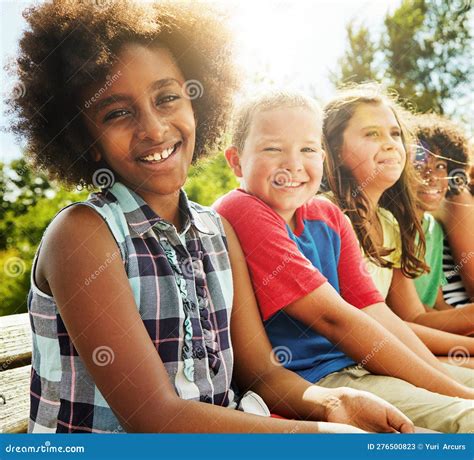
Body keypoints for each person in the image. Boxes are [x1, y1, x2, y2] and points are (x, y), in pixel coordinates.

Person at [9, 0, 413, 435]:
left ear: (198, 104)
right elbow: (153, 416)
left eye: (167, 98)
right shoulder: (83, 236)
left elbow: (261, 373)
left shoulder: (216, 231)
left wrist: (336, 402)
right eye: (117, 112)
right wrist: (318, 436)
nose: (154, 128)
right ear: (85, 141)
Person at [214, 89, 474, 433]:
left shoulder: (329, 216)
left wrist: (442, 379)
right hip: (323, 380)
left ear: (321, 157)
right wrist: (456, 395)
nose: (293, 164)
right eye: (272, 148)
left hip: (365, 368)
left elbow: (378, 316)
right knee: (465, 417)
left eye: (307, 149)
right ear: (235, 161)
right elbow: (332, 318)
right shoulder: (242, 208)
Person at [322, 86, 474, 339]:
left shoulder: (393, 224)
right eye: (372, 133)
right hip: (354, 358)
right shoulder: (329, 216)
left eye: (395, 134)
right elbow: (385, 324)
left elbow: (422, 311)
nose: (391, 145)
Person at [412, 115, 473, 307]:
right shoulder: (458, 198)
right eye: (420, 166)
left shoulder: (433, 230)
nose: (431, 175)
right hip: (457, 310)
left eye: (440, 166)